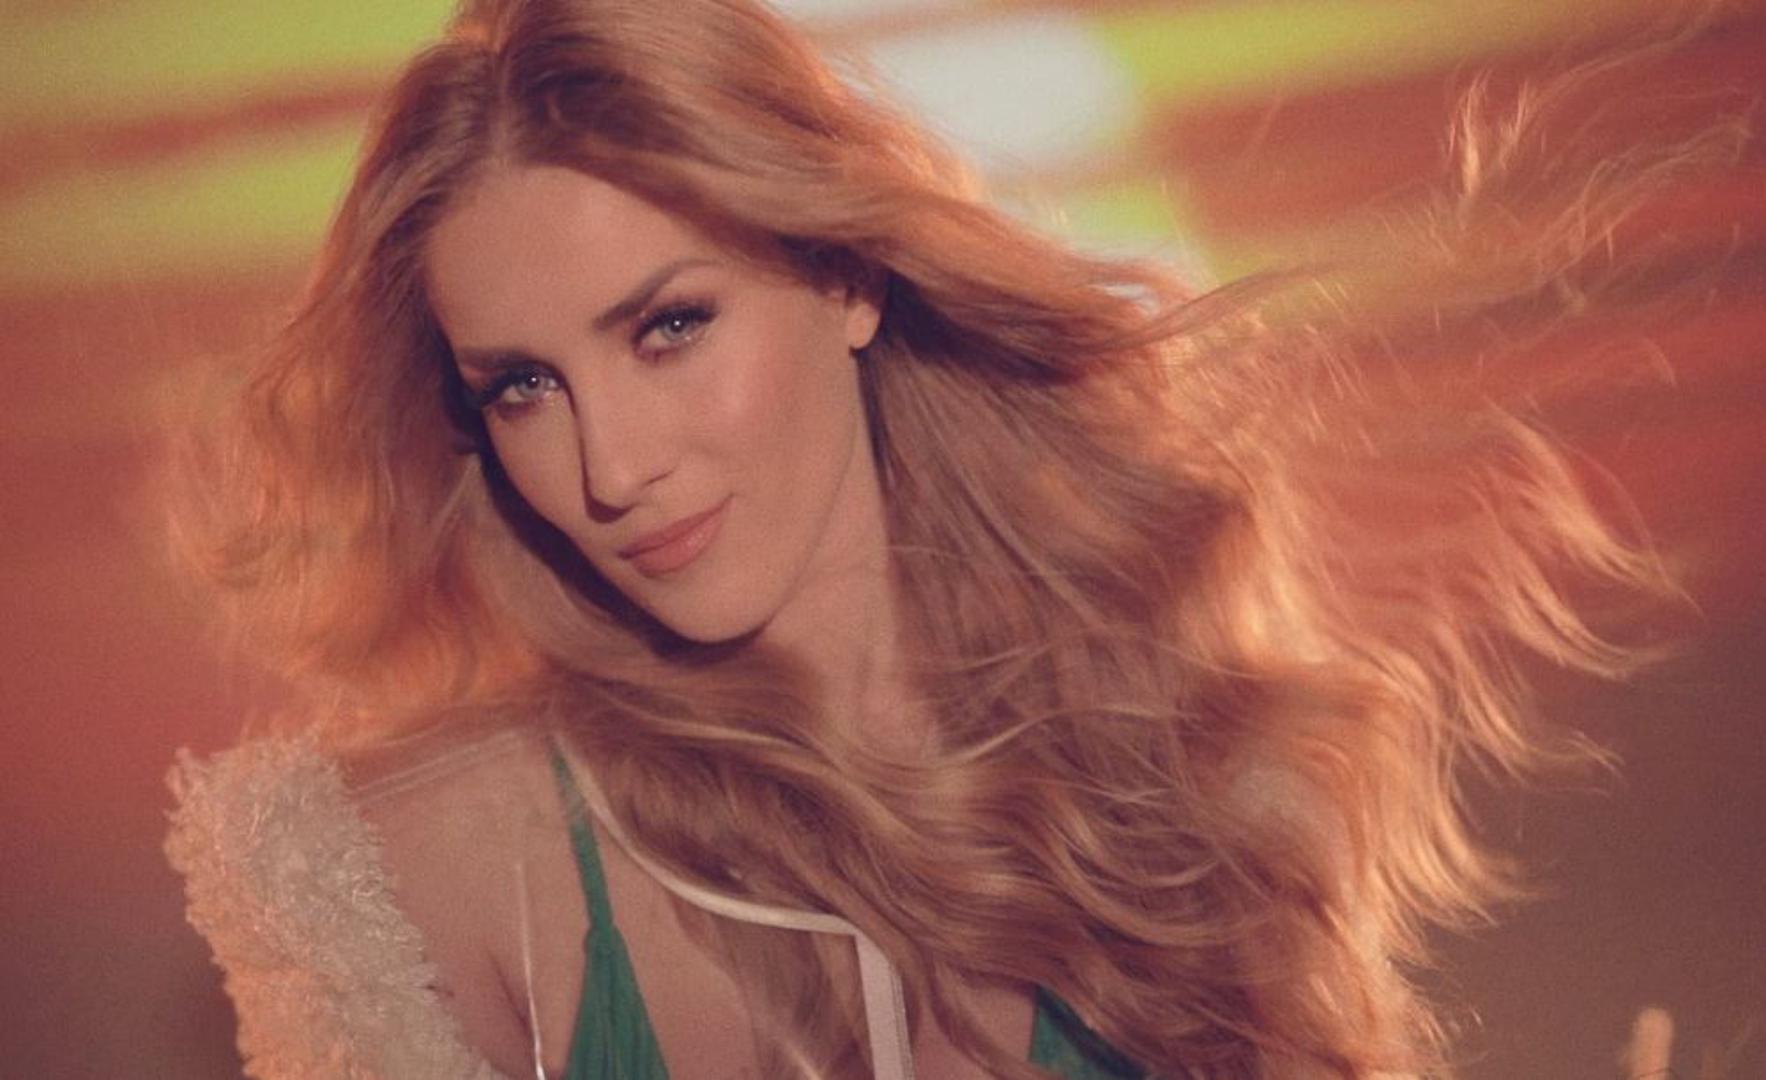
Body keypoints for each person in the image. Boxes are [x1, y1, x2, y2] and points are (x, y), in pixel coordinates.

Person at [164, 1, 1728, 1077]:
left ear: (846, 278)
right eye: (520, 386)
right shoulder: (423, 871)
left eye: (668, 326)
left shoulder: (1199, 789)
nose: (610, 467)